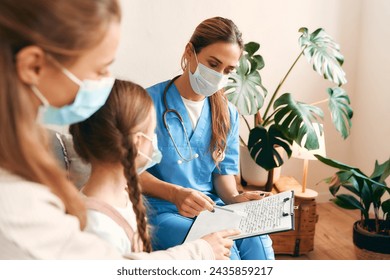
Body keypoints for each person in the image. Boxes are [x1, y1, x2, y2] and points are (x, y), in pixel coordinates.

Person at [0, 0, 235, 260]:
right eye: (100, 68)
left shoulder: (24, 155)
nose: (107, 84)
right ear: (33, 65)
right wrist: (200, 252)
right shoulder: (15, 203)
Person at [140, 17, 275, 260]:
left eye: (228, 70)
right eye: (213, 64)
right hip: (161, 211)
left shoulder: (227, 114)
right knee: (225, 251)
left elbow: (223, 177)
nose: (219, 76)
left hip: (210, 210)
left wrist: (236, 198)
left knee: (258, 240)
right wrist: (175, 194)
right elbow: (130, 171)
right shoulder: (147, 104)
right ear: (190, 52)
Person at [69, 79, 239, 258]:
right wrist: (202, 251)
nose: (155, 140)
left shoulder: (123, 200)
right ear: (137, 141)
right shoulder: (97, 226)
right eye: (153, 132)